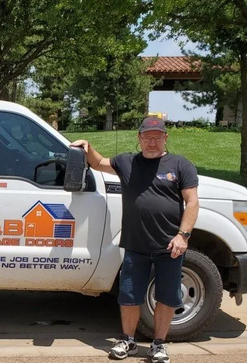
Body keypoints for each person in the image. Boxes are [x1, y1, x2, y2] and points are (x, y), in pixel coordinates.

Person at [70, 116, 199, 363]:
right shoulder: (127, 162)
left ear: (165, 138)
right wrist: (86, 146)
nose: (152, 142)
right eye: (147, 137)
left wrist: (183, 236)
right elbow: (98, 163)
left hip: (170, 245)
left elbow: (192, 201)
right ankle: (127, 341)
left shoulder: (181, 165)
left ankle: (159, 345)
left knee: (167, 297)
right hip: (135, 244)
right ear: (139, 139)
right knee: (129, 296)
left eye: (157, 137)